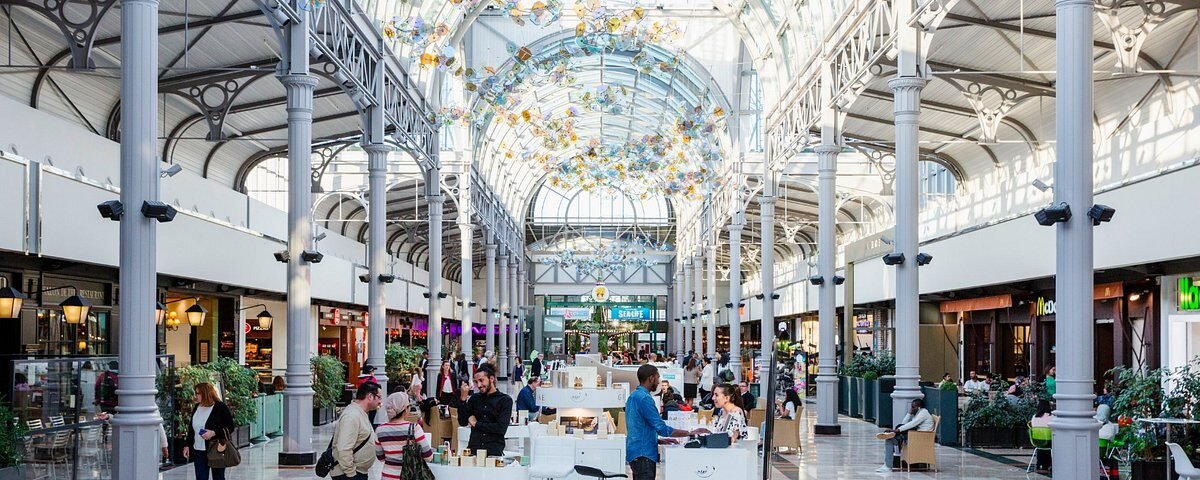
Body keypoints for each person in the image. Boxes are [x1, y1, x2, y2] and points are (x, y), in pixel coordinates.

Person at [624, 364, 708, 480]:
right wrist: (690, 432)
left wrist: (659, 440)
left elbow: (638, 427)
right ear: (651, 378)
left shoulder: (633, 396)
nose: (658, 382)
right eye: (657, 378)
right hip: (644, 454)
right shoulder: (645, 399)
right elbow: (661, 428)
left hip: (636, 452)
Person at [452, 364, 512, 456]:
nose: (479, 385)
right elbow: (462, 421)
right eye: (476, 382)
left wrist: (477, 424)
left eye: (481, 380)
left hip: (493, 451)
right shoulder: (474, 398)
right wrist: (463, 399)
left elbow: (501, 428)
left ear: (491, 379)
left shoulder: (505, 400)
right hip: (473, 449)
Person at [183, 382, 236, 480]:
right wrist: (187, 445)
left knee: (218, 477)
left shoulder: (220, 407)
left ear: (206, 393)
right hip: (198, 450)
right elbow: (191, 429)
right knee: (201, 477)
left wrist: (213, 432)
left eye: (198, 393)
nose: (196, 396)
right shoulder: (196, 407)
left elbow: (230, 427)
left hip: (216, 448)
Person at [375, 392, 433, 480]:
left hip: (388, 476)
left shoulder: (380, 430)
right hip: (411, 476)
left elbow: (380, 457)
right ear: (406, 409)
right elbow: (428, 456)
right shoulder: (414, 428)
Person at [332, 382, 382, 480]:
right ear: (370, 396)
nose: (380, 401)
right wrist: (351, 473)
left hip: (357, 473)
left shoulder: (360, 413)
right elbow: (343, 448)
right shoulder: (351, 416)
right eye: (379, 397)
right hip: (348, 475)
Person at [875, 398, 935, 472]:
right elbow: (904, 423)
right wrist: (909, 414)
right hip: (917, 435)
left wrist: (897, 430)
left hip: (920, 437)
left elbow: (912, 424)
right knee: (897, 429)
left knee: (890, 440)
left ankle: (888, 465)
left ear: (919, 407)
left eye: (913, 407)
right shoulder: (918, 413)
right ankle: (893, 436)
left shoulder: (923, 413)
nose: (911, 408)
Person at [1030, 399, 1054, 471]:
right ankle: (1049, 463)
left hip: (1036, 441)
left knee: (1042, 444)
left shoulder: (1034, 417)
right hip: (1049, 441)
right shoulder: (1052, 417)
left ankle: (1039, 462)